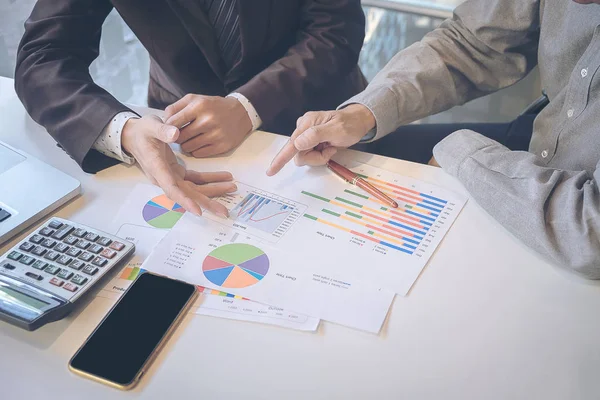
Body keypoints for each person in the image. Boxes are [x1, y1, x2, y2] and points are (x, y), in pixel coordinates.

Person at [267, 0, 600, 277]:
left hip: (574, 229)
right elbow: (474, 43)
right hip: (540, 144)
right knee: (370, 152)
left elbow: (589, 232)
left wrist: (461, 152)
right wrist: (362, 113)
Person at [14, 0, 367, 217]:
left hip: (319, 125)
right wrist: (124, 131)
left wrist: (248, 105)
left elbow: (335, 31)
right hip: (183, 140)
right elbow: (42, 58)